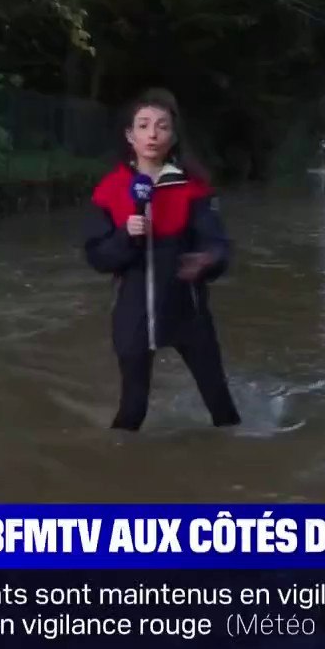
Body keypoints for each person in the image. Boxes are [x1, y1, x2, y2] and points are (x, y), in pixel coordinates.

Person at [82, 88, 242, 431]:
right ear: (130, 135)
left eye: (162, 126)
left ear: (173, 135)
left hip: (188, 309)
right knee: (131, 412)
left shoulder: (194, 189)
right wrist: (127, 235)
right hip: (133, 312)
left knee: (222, 409)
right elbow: (97, 256)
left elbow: (219, 244)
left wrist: (207, 260)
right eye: (143, 125)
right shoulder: (110, 190)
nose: (152, 134)